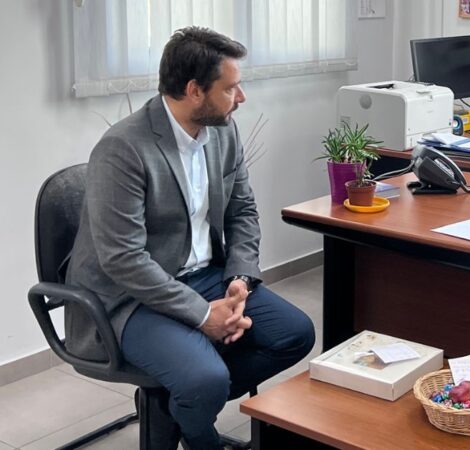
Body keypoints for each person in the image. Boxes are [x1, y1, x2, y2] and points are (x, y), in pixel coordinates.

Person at [65, 27, 315, 449]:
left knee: (296, 334)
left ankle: (174, 406)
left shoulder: (222, 131)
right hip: (129, 298)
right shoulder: (124, 147)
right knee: (205, 379)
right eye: (230, 88)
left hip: (204, 276)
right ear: (194, 90)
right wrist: (202, 315)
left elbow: (242, 211)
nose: (241, 97)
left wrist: (239, 280)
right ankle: (200, 431)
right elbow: (123, 259)